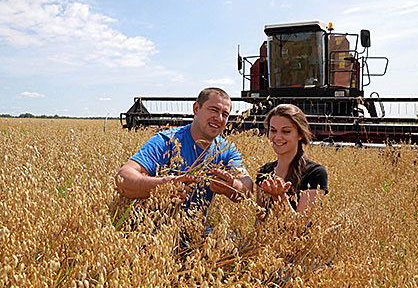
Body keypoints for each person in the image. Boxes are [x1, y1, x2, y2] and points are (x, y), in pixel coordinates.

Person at [115, 87, 253, 221]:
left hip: (194, 234)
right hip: (149, 231)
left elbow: (247, 185)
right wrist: (163, 186)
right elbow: (123, 178)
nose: (219, 118)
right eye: (214, 110)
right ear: (196, 109)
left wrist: (232, 186)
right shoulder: (167, 141)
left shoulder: (225, 150)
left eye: (225, 114)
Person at [255, 104, 327, 222]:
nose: (277, 137)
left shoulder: (315, 173)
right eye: (273, 130)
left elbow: (299, 228)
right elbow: (259, 221)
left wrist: (280, 198)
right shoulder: (264, 172)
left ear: (300, 134)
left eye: (286, 131)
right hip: (267, 240)